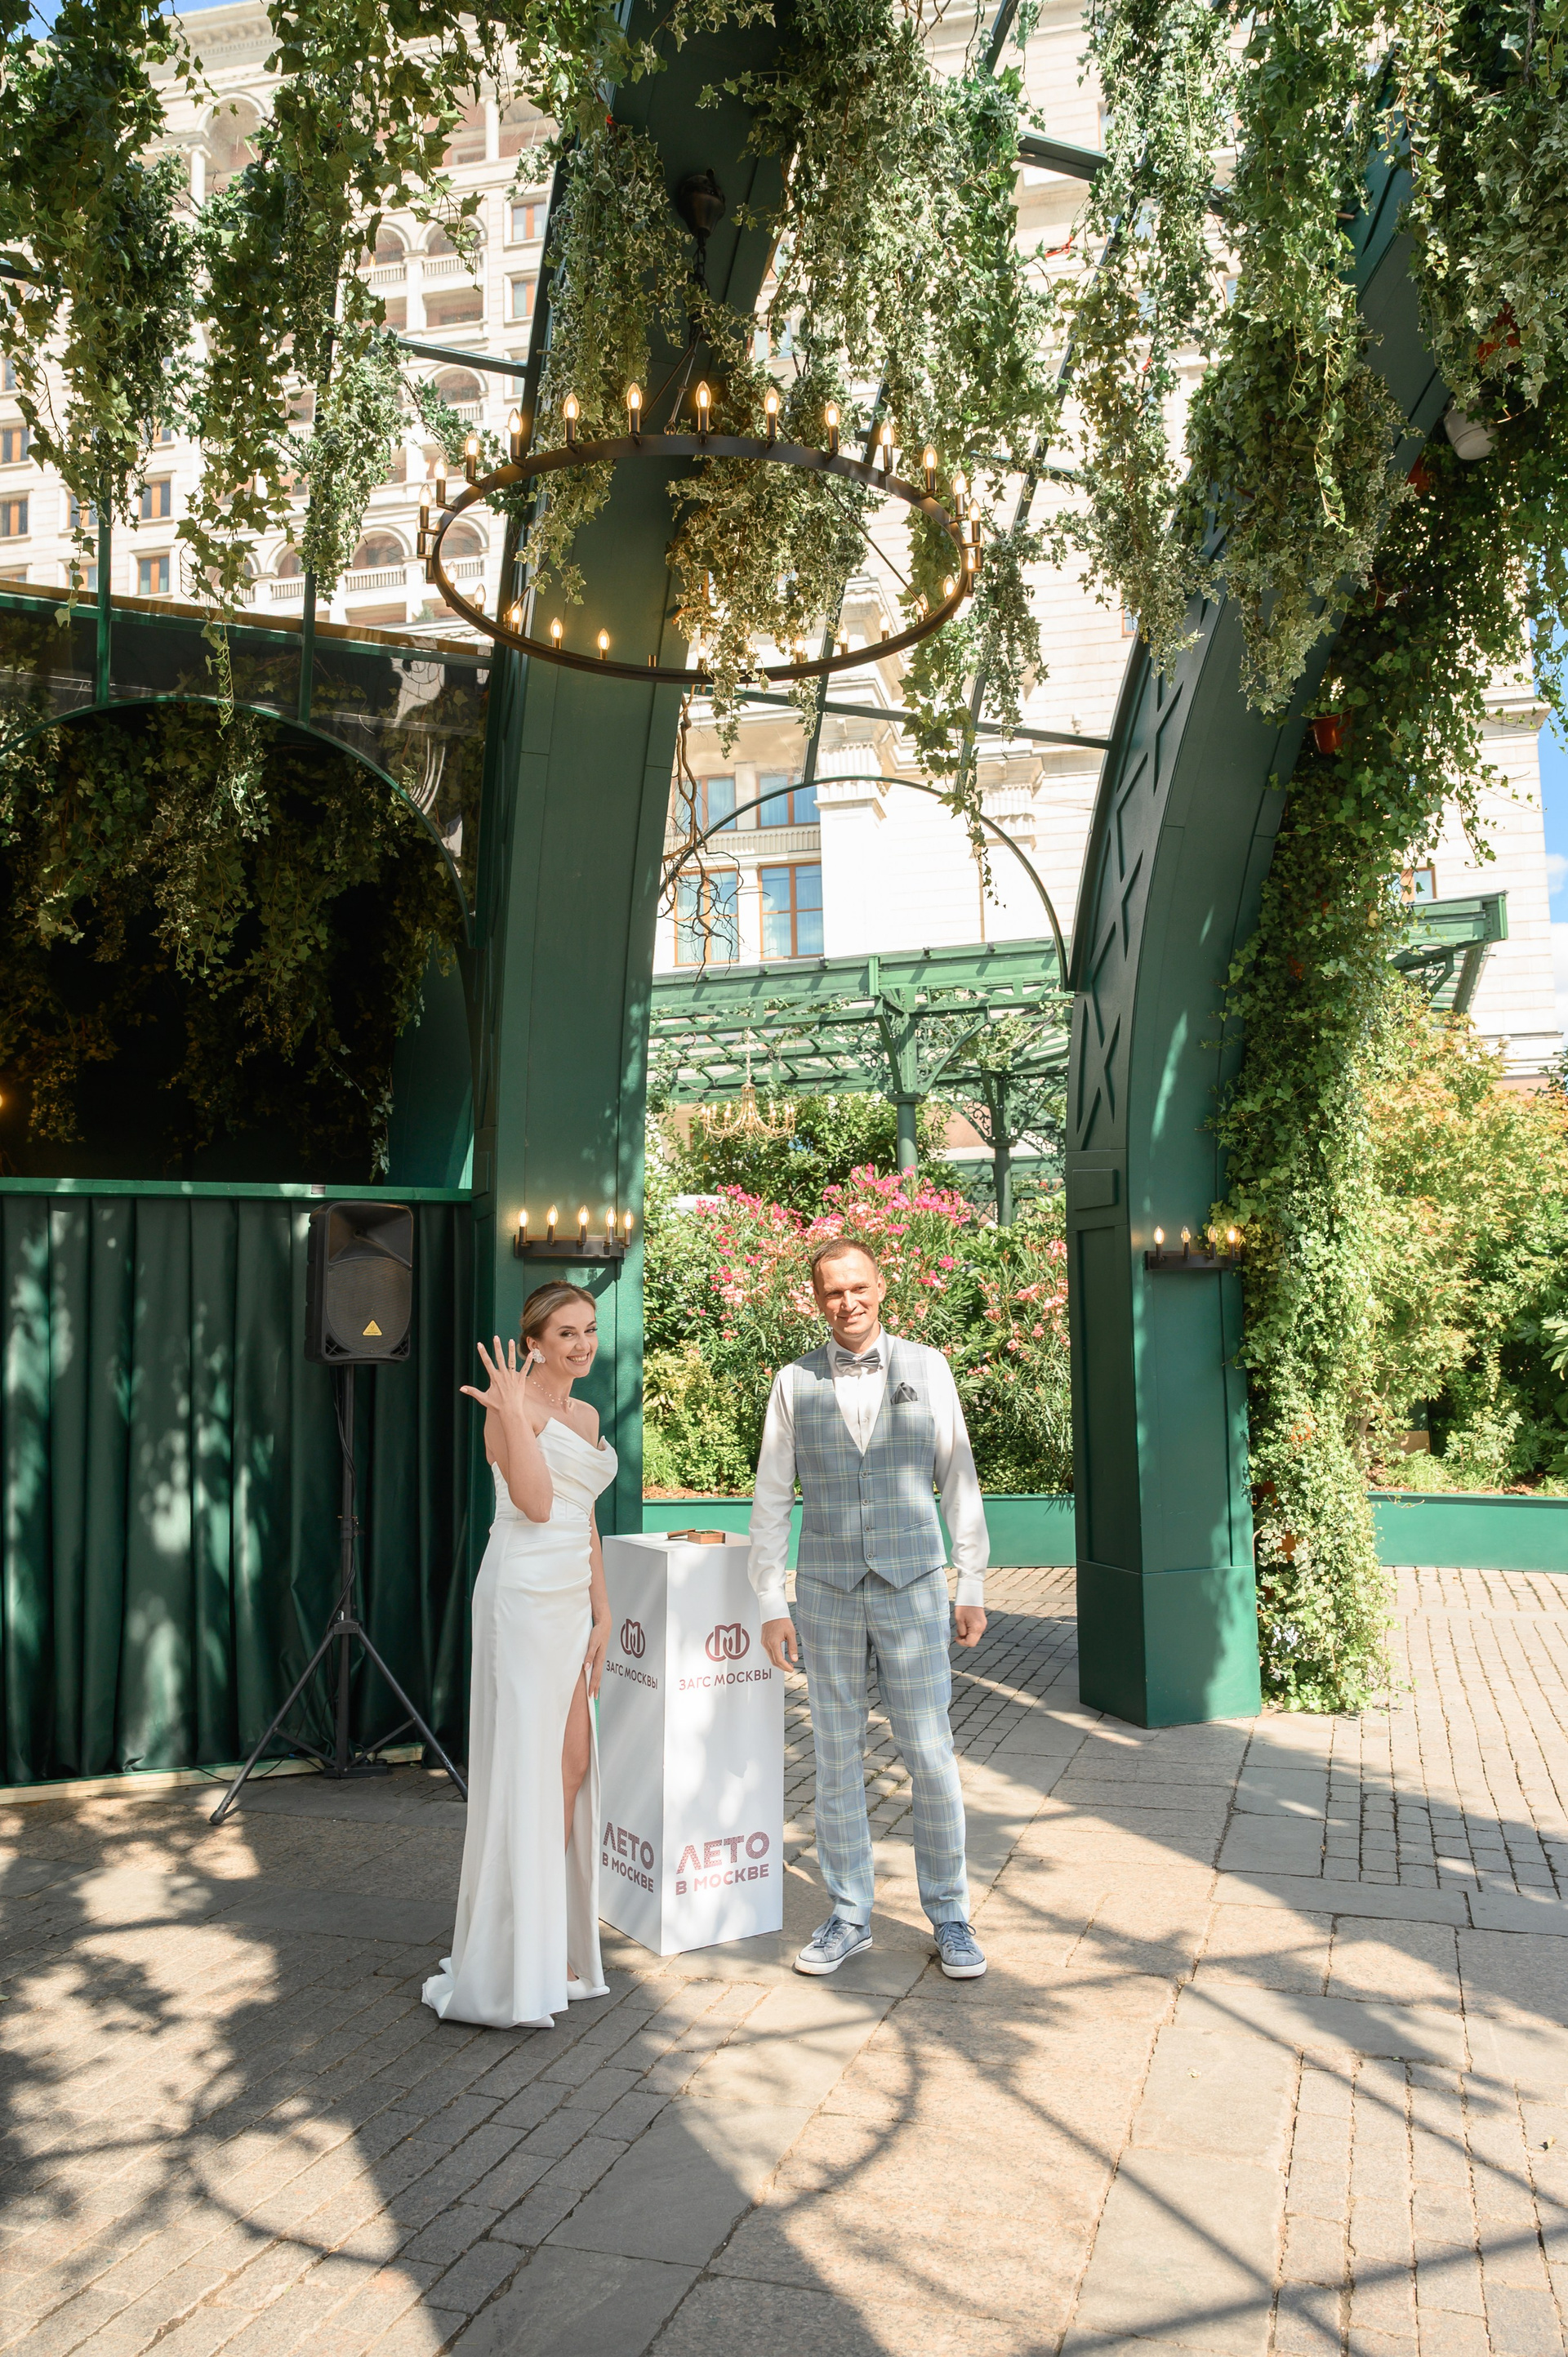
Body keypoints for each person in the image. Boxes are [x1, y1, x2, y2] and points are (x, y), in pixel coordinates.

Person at [749, 1235, 991, 1981]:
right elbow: (771, 1495)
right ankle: (849, 1914)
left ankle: (950, 1914)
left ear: (881, 1287)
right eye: (833, 1292)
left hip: (913, 1585)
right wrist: (770, 1598)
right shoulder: (792, 1381)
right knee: (835, 1755)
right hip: (825, 1591)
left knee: (929, 1753)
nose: (847, 1302)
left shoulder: (928, 1366)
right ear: (817, 1301)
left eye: (858, 1287)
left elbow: (958, 1475)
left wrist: (972, 1583)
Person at [423, 1282, 615, 2029]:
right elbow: (536, 1506)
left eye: (588, 1329)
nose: (582, 1344)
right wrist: (510, 1411)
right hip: (522, 1597)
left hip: (570, 1596)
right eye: (565, 1333)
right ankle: (514, 1954)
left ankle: (545, 1937)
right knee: (527, 1768)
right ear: (533, 1342)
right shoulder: (507, 1408)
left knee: (570, 1767)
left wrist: (603, 1610)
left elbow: (582, 1516)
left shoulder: (587, 1415)